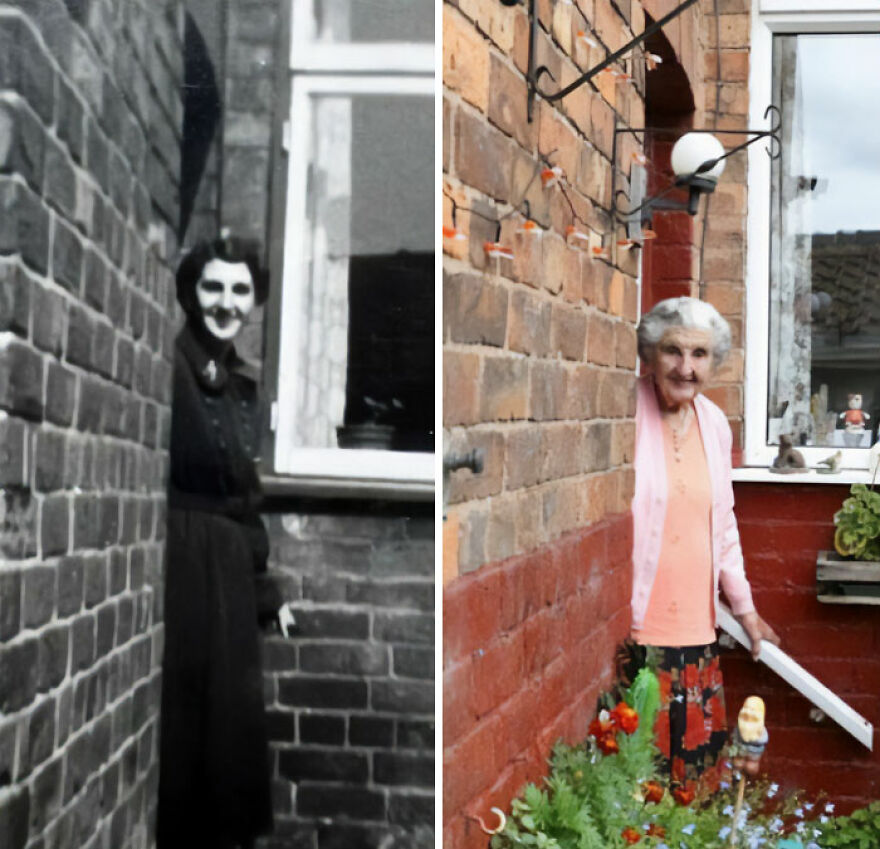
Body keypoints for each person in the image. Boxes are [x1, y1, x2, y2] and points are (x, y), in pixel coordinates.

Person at [157, 234, 282, 849]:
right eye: (213, 287)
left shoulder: (241, 387)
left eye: (240, 290)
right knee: (188, 733)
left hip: (229, 575)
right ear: (190, 291)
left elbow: (246, 499)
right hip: (182, 566)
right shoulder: (170, 367)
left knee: (228, 734)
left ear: (254, 300)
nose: (226, 303)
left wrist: (267, 594)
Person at [631, 296, 780, 792]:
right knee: (635, 786)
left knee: (694, 787)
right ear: (650, 354)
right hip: (638, 638)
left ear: (714, 364)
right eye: (673, 351)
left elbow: (724, 525)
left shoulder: (714, 423)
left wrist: (745, 608)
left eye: (700, 355)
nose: (686, 367)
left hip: (697, 638)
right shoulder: (625, 413)